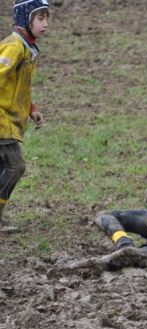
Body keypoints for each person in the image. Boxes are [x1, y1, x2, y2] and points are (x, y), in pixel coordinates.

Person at [0, 0, 49, 233]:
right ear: (24, 19)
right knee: (15, 166)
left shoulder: (28, 48)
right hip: (1, 120)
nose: (45, 24)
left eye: (47, 18)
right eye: (40, 18)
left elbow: (19, 86)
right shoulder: (14, 47)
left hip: (10, 119)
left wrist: (31, 109)